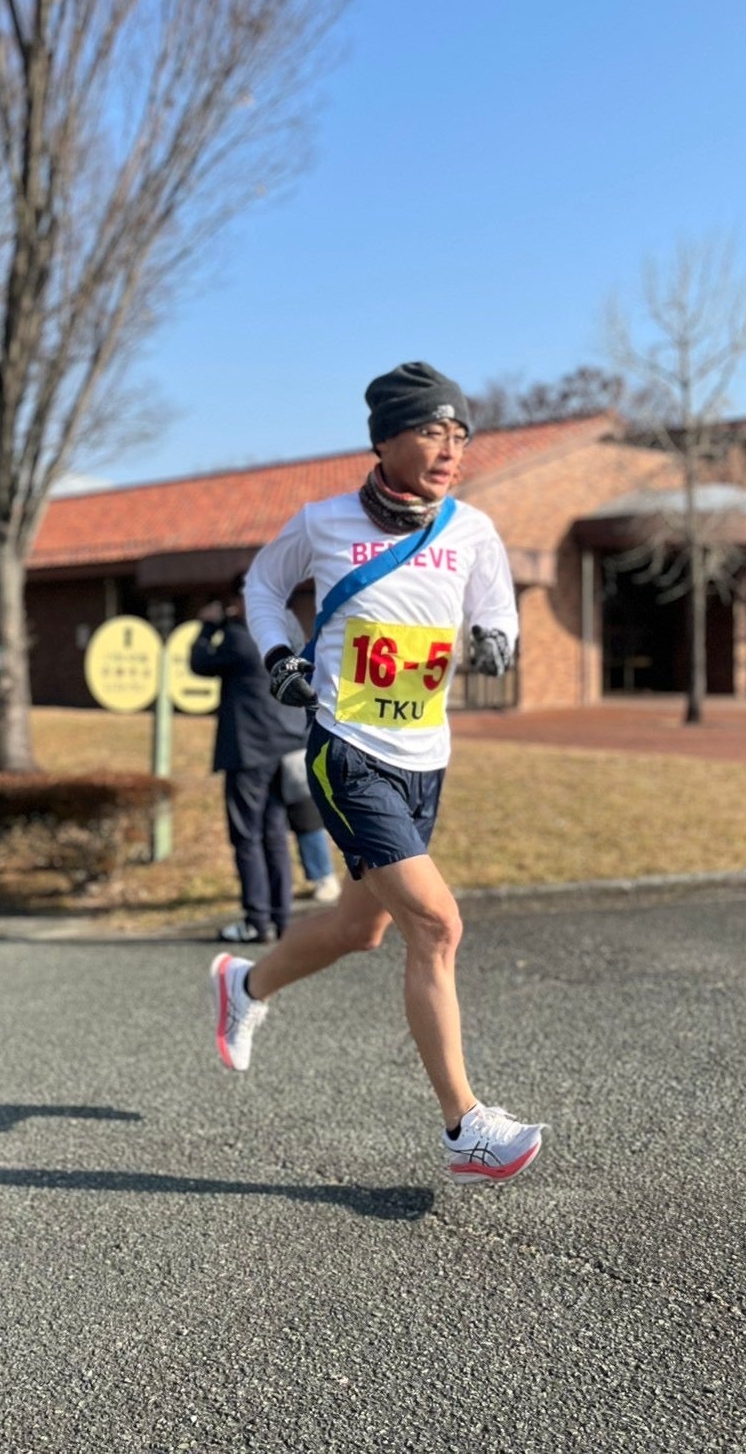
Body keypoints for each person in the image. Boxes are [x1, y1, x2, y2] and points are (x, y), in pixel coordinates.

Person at [209, 361, 543, 1186]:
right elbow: (262, 585)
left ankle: (246, 985)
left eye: (460, 435)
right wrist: (280, 653)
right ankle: (466, 1126)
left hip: (426, 756)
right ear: (386, 440)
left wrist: (498, 639)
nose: (450, 449)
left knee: (363, 929)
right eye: (431, 431)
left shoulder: (472, 531)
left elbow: (496, 607)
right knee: (437, 925)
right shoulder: (323, 521)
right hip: (346, 748)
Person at [189, 578, 338, 945]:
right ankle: (281, 920)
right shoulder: (289, 629)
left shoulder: (240, 637)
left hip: (249, 750)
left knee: (247, 836)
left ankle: (257, 921)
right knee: (275, 835)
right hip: (287, 744)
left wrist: (209, 625)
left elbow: (199, 662)